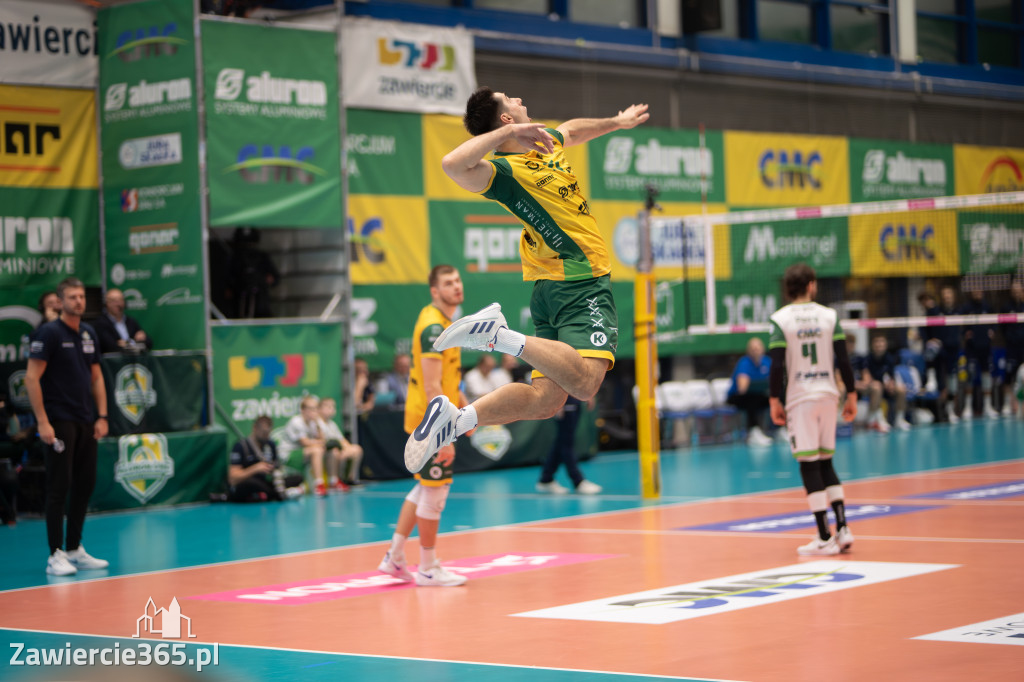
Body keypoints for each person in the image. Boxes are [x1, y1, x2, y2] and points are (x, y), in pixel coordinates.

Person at [404, 87, 649, 472]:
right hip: (580, 278)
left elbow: (575, 130)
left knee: (546, 401)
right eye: (509, 99)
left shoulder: (544, 143)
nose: (518, 98)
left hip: (549, 288)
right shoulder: (502, 171)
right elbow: (452, 163)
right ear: (504, 119)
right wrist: (503, 137)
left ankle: (455, 420)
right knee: (585, 385)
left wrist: (616, 122)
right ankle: (498, 336)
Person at [377, 265, 469, 587]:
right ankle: (428, 567)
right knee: (436, 491)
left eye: (457, 280)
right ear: (435, 291)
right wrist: (443, 436)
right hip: (428, 420)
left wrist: (465, 407)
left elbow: (448, 376)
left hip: (434, 416)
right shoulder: (433, 327)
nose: (456, 286)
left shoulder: (447, 322)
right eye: (448, 283)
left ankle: (395, 556)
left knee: (424, 487)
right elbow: (432, 387)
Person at [768, 264, 858, 556]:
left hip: (800, 398)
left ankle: (823, 536)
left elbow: (777, 365)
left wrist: (774, 400)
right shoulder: (829, 316)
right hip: (829, 395)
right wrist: (853, 394)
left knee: (809, 465)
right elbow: (844, 359)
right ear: (810, 285)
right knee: (826, 462)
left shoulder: (781, 319)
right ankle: (842, 529)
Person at [24, 277, 110, 576]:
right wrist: (43, 421)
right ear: (60, 301)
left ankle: (74, 548)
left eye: (82, 296)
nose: (79, 302)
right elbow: (31, 378)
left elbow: (96, 377)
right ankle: (55, 554)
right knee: (59, 486)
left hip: (86, 419)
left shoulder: (88, 333)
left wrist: (102, 416)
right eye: (72, 297)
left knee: (85, 484)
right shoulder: (48, 333)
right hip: (59, 419)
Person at [228, 416, 304, 502]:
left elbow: (276, 466)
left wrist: (275, 471)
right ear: (255, 428)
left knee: (298, 478)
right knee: (251, 483)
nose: (266, 436)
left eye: (268, 433)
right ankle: (278, 494)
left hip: (265, 482)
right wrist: (255, 468)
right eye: (263, 433)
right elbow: (233, 479)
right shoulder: (241, 446)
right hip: (248, 482)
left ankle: (273, 494)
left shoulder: (270, 444)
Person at [535, 396, 602, 494]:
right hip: (564, 402)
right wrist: (557, 403)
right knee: (566, 443)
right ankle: (578, 481)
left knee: (562, 442)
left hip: (576, 400)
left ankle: (546, 479)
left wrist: (589, 395)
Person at [281, 396, 334, 497]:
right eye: (311, 409)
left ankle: (333, 481)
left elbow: (322, 439)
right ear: (303, 410)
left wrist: (317, 423)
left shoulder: (314, 423)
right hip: (288, 455)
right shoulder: (296, 422)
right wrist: (321, 443)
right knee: (317, 451)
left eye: (315, 409)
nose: (314, 412)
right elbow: (304, 442)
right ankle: (319, 484)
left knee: (326, 450)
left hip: (302, 454)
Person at [726, 337, 773, 447]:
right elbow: (742, 389)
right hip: (738, 397)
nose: (755, 350)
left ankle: (781, 428)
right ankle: (753, 432)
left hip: (761, 394)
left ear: (763, 349)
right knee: (752, 399)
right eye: (753, 348)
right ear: (748, 350)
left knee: (780, 397)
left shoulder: (767, 362)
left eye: (757, 347)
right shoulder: (744, 362)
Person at [226, 227, 279, 318]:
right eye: (245, 244)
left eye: (250, 244)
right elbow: (227, 281)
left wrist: (268, 280)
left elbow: (275, 279)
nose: (248, 247)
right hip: (240, 301)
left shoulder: (262, 257)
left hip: (260, 302)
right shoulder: (235, 258)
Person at [961, 288, 998, 419]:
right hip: (971, 348)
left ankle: (988, 406)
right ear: (971, 292)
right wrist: (965, 332)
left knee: (987, 374)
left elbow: (996, 322)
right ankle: (968, 407)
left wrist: (992, 331)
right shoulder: (966, 308)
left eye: (979, 290)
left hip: (985, 347)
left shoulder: (988, 306)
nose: (977, 292)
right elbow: (959, 323)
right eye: (975, 290)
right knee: (970, 374)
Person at [863, 335, 911, 432]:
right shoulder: (867, 358)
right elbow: (866, 376)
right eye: (877, 342)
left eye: (882, 342)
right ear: (872, 345)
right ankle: (876, 420)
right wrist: (873, 383)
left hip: (885, 387)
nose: (879, 344)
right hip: (872, 387)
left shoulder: (889, 358)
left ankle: (899, 419)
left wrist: (891, 384)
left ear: (885, 345)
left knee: (901, 389)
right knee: (877, 387)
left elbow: (891, 375)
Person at [317, 397, 364, 487]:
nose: (332, 410)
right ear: (320, 409)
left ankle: (350, 479)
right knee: (335, 452)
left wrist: (348, 448)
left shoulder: (332, 424)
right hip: (327, 452)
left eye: (333, 407)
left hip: (338, 449)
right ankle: (334, 481)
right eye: (328, 407)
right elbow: (323, 441)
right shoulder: (318, 423)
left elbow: (341, 439)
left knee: (357, 449)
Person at [91, 288, 153, 355]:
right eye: (113, 301)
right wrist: (135, 344)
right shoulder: (100, 323)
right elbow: (111, 347)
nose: (118, 304)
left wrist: (128, 343)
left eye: (120, 300)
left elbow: (148, 343)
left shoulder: (130, 321)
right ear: (107, 303)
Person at [1001, 280, 1024, 418]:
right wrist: (1010, 337)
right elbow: (1002, 327)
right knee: (1009, 377)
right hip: (1012, 347)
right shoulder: (1006, 307)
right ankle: (1008, 404)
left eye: (1018, 289)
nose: (1016, 292)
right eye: (1014, 290)